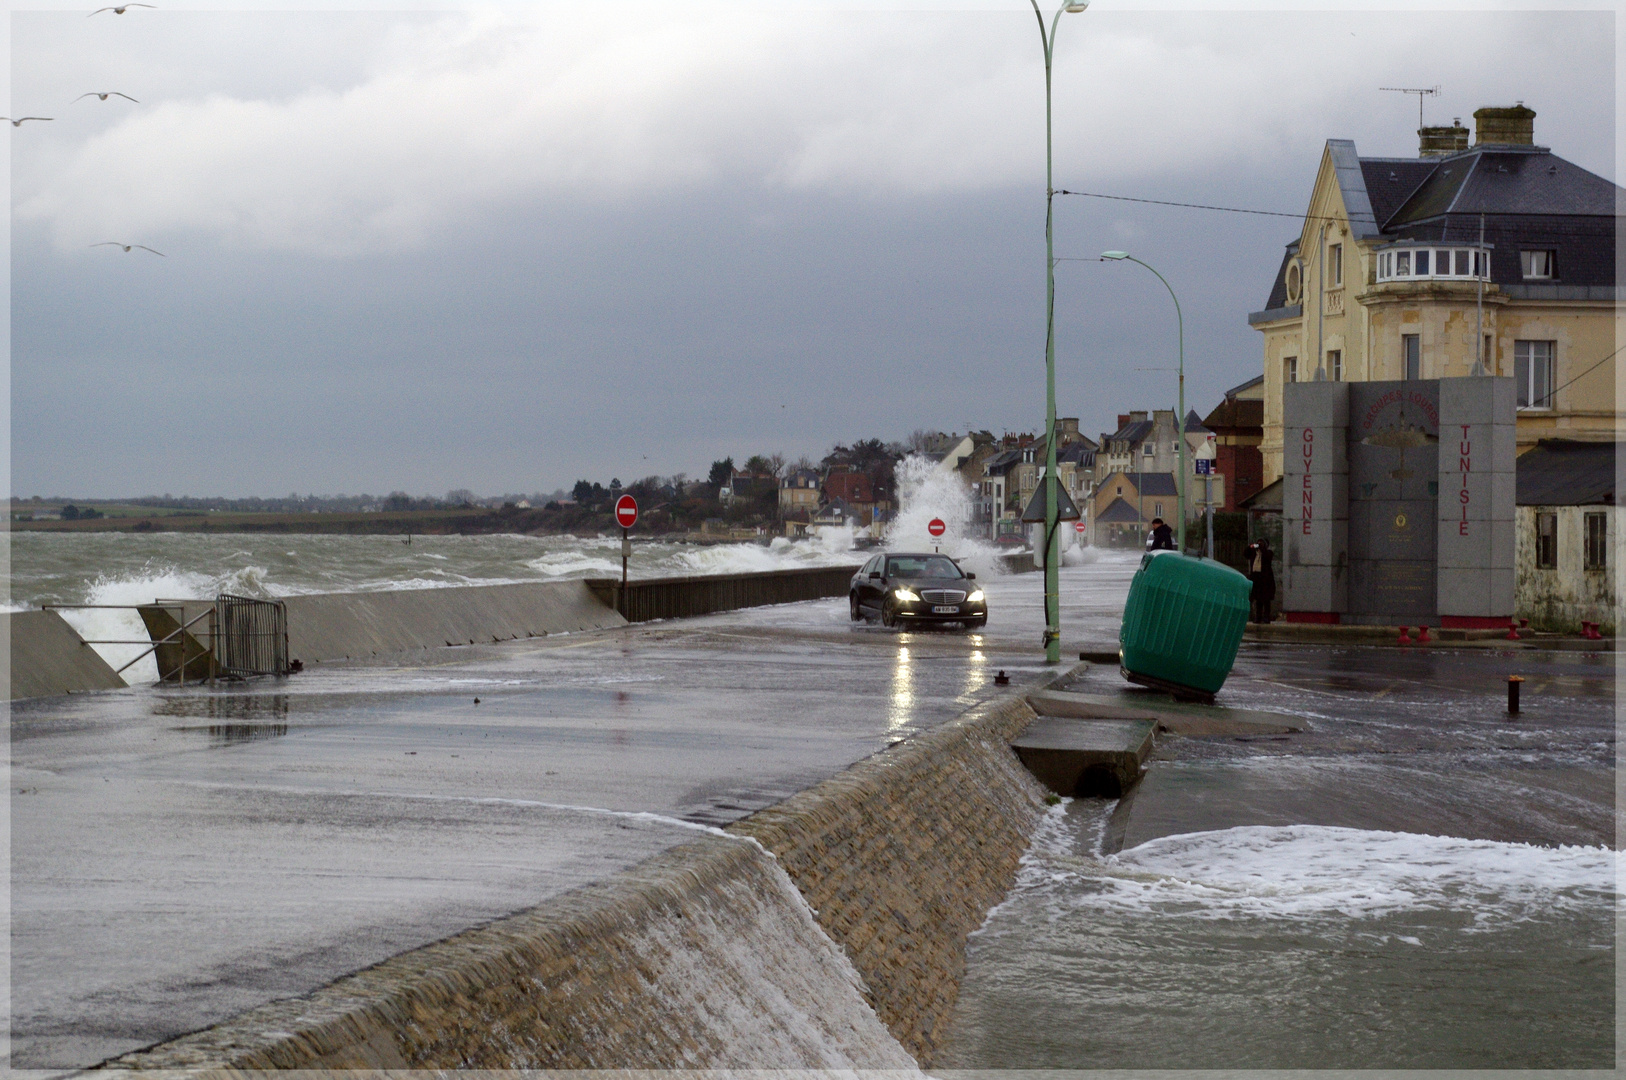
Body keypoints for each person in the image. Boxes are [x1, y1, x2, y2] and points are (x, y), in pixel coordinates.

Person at [1247, 536, 1275, 623]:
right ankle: (1258, 617)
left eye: (1261, 543)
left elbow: (1267, 556)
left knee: (1266, 600)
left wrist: (1262, 548)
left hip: (1266, 580)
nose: (1259, 545)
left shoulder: (1268, 553)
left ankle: (1266, 617)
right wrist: (1250, 547)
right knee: (1258, 600)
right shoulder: (1254, 554)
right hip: (1256, 579)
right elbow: (1245, 553)